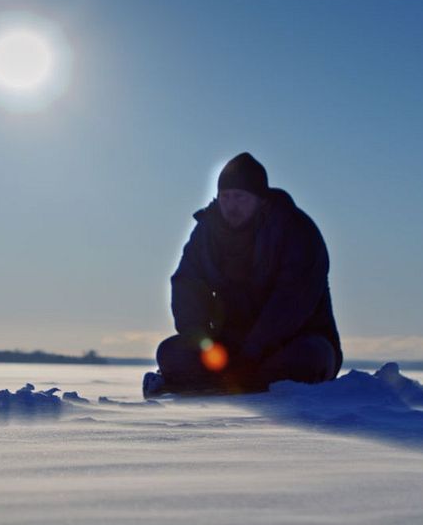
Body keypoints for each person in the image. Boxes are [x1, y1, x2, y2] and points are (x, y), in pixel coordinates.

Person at [144, 152, 342, 398]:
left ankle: (233, 383)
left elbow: (292, 301)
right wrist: (199, 340)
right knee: (171, 352)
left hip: (291, 342)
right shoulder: (207, 233)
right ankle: (223, 382)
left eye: (240, 197)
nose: (231, 205)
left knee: (307, 358)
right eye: (225, 197)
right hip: (231, 346)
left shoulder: (296, 229)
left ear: (260, 199)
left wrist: (252, 351)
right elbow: (187, 283)